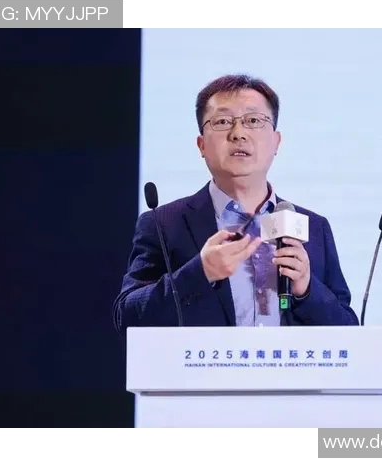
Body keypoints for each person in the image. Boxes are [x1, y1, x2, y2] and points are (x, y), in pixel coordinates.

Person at [113, 74, 359, 331]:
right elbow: (127, 317)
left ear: (276, 142)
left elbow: (348, 331)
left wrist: (307, 289)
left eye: (253, 120)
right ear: (201, 145)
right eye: (222, 121)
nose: (238, 133)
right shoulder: (164, 223)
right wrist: (199, 273)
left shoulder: (315, 227)